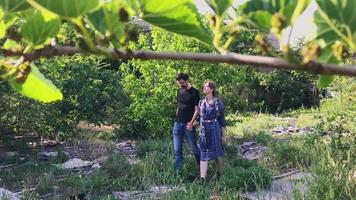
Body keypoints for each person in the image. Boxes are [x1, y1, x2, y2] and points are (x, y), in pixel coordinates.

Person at [173, 73, 200, 176]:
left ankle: (202, 169)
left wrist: (192, 122)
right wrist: (176, 119)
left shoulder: (195, 92)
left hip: (188, 124)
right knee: (177, 150)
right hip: (177, 124)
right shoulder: (179, 91)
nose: (181, 85)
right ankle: (179, 174)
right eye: (179, 83)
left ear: (187, 80)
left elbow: (197, 110)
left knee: (194, 148)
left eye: (182, 83)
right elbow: (178, 106)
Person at [198, 80, 226, 181]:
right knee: (203, 152)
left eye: (206, 86)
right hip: (204, 130)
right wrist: (192, 124)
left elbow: (222, 120)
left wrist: (223, 135)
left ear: (212, 89)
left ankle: (218, 172)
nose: (204, 88)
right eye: (204, 86)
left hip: (215, 128)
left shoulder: (218, 103)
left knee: (217, 154)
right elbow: (199, 117)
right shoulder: (201, 102)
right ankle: (202, 178)